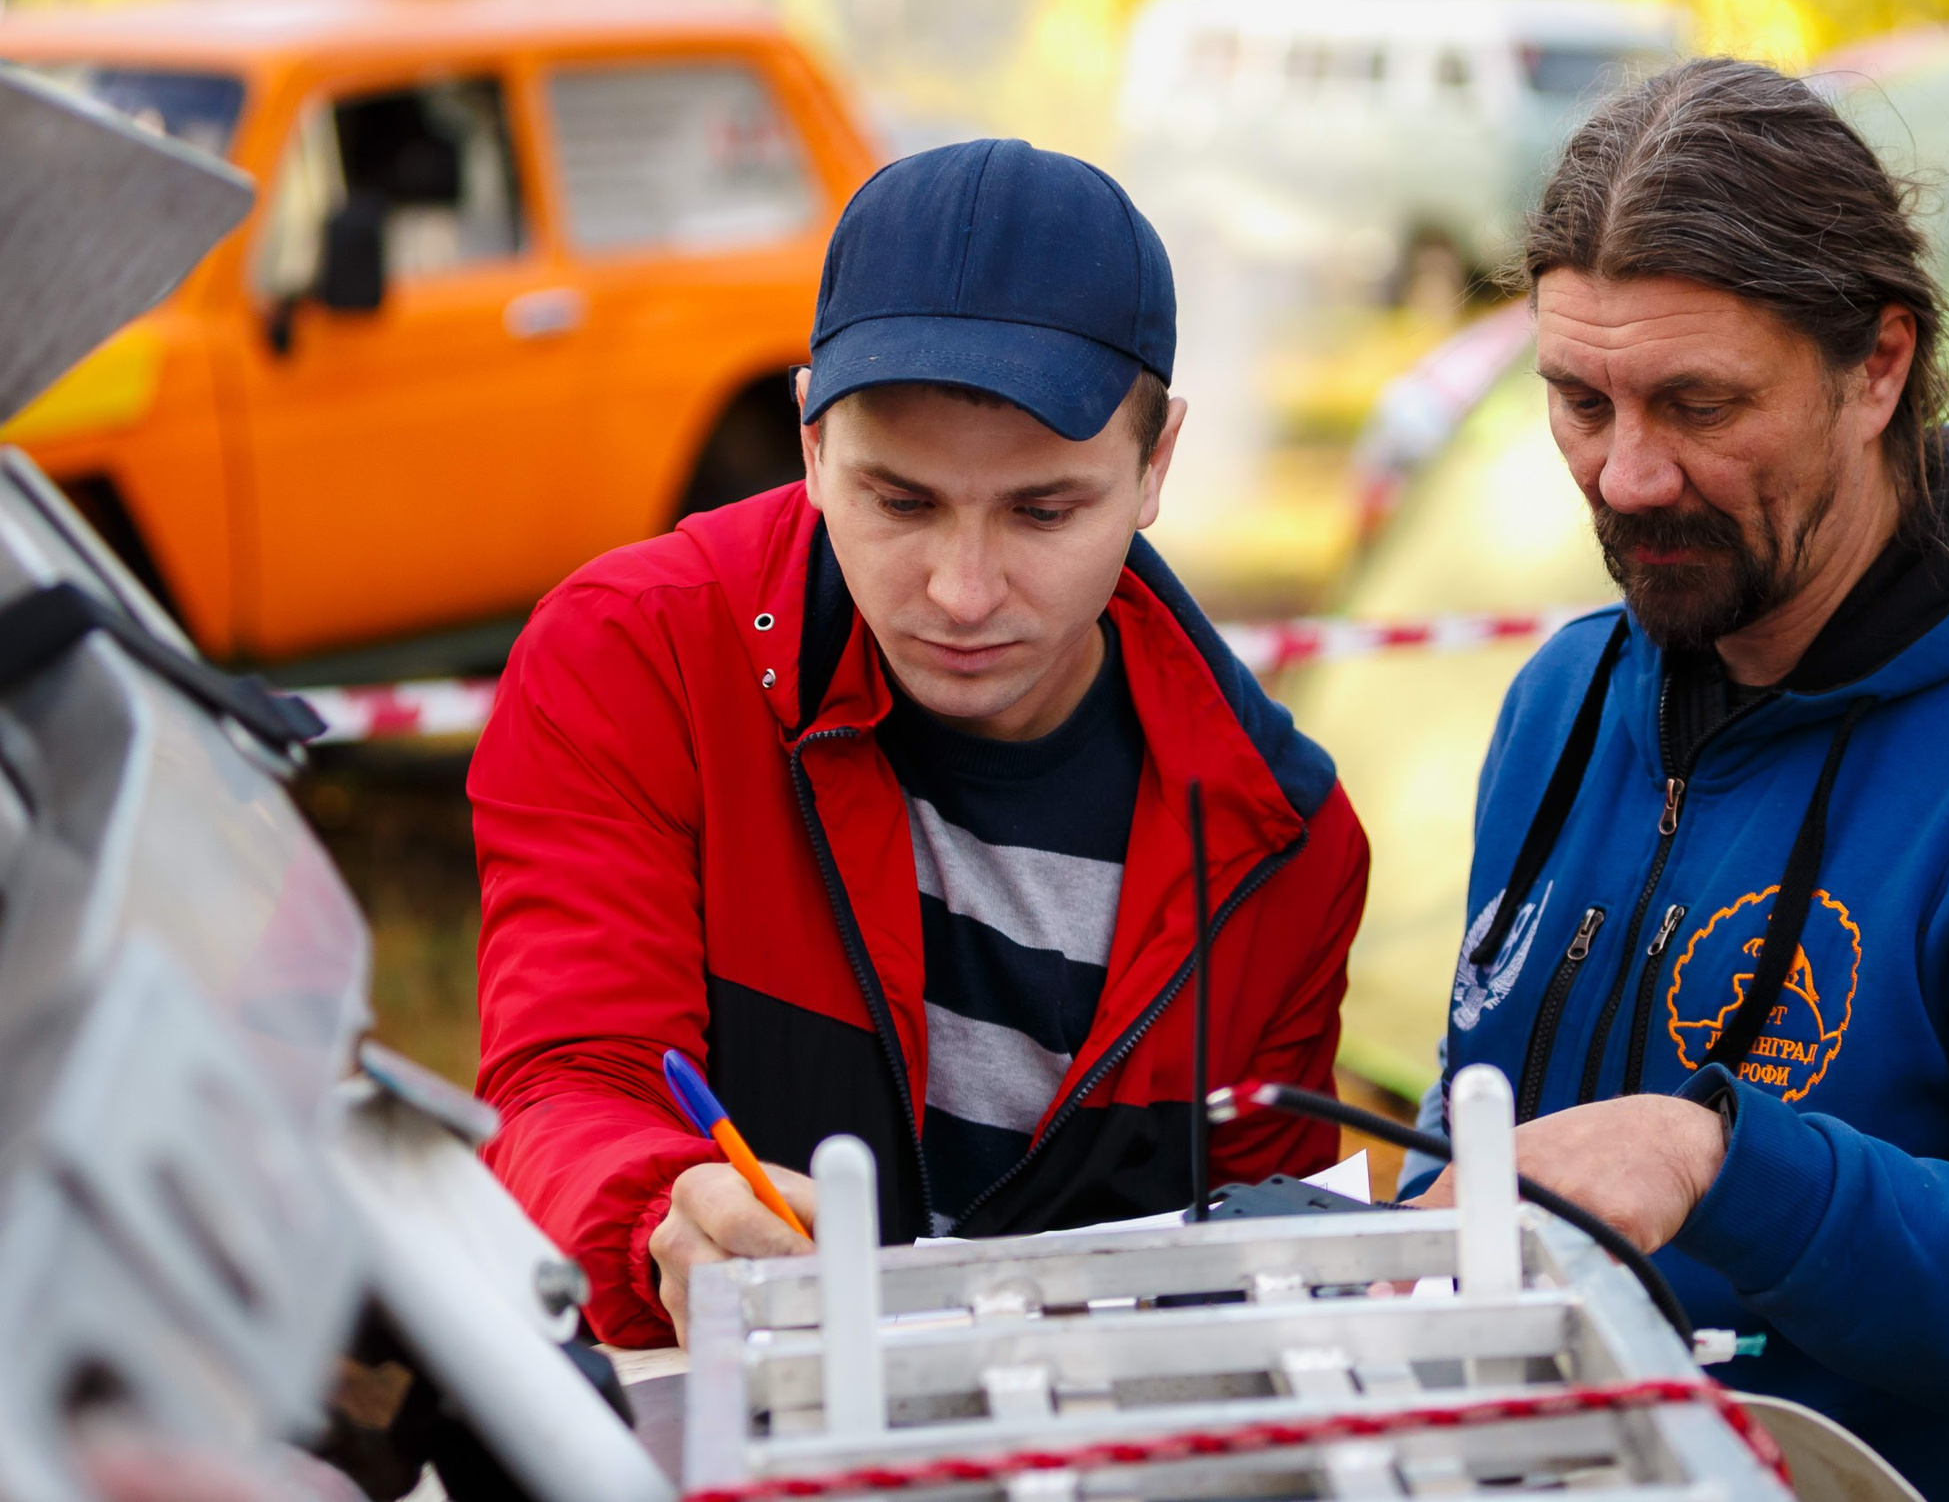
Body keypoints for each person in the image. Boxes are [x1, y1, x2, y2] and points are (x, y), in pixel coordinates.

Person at [1399, 59, 1949, 1499]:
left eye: (1698, 403)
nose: (1625, 475)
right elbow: (1480, 1112)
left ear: (1877, 367)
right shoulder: (1565, 700)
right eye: (1580, 401)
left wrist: (1723, 1161)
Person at [472, 140, 1371, 1347]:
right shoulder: (634, 658)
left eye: (1042, 510)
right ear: (810, 444)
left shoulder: (1283, 846)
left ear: (1154, 463)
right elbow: (562, 1079)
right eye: (899, 501)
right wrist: (656, 1212)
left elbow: (1270, 1274)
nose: (960, 590)